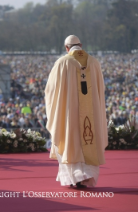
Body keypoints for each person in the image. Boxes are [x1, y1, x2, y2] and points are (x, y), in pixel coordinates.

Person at [45, 35, 108, 188]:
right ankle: (87, 176)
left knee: (70, 141)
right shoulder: (94, 62)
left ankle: (75, 178)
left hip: (69, 114)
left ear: (67, 48)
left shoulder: (62, 63)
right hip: (91, 113)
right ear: (81, 45)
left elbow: (51, 91)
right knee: (88, 139)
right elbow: (101, 90)